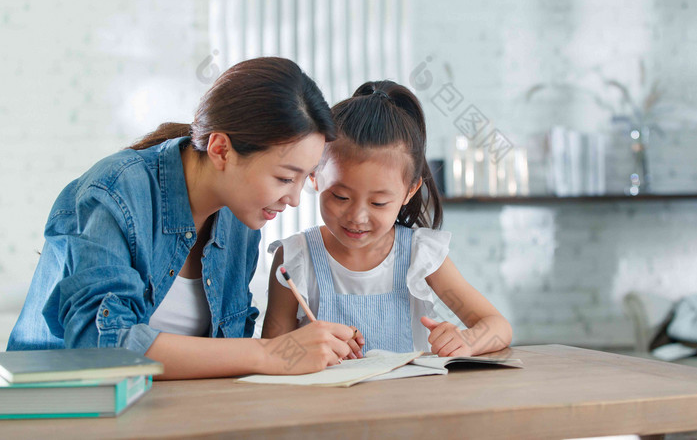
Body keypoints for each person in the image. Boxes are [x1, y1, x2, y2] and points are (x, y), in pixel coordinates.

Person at [7, 57, 357, 379]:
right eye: (284, 178)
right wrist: (271, 353)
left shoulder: (241, 218)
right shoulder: (113, 193)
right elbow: (101, 346)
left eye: (304, 178)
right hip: (64, 413)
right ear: (220, 149)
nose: (294, 199)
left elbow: (228, 352)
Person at [262, 81, 512, 358]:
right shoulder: (295, 257)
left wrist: (467, 341)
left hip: (405, 401)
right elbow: (273, 354)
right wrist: (302, 348)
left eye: (378, 202)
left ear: (410, 191)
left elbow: (497, 326)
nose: (357, 217)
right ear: (314, 176)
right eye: (341, 197)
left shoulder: (420, 254)